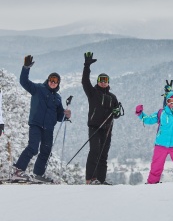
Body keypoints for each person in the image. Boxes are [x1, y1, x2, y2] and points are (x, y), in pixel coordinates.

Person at [12, 55, 71, 183]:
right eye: (51, 79)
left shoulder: (58, 98)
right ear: (48, 79)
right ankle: (18, 171)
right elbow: (24, 82)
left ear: (58, 84)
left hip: (48, 128)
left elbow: (59, 116)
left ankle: (38, 174)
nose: (53, 82)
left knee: (46, 150)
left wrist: (66, 115)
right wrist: (26, 68)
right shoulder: (38, 89)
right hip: (36, 124)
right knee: (33, 147)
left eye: (55, 81)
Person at [82, 52, 122, 185]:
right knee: (94, 151)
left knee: (103, 154)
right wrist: (87, 65)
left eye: (105, 81)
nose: (103, 83)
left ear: (108, 82)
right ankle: (90, 179)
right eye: (101, 80)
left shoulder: (113, 97)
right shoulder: (92, 93)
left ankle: (101, 179)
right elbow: (85, 81)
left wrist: (116, 112)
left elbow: (116, 114)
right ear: (98, 82)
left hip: (107, 129)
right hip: (94, 127)